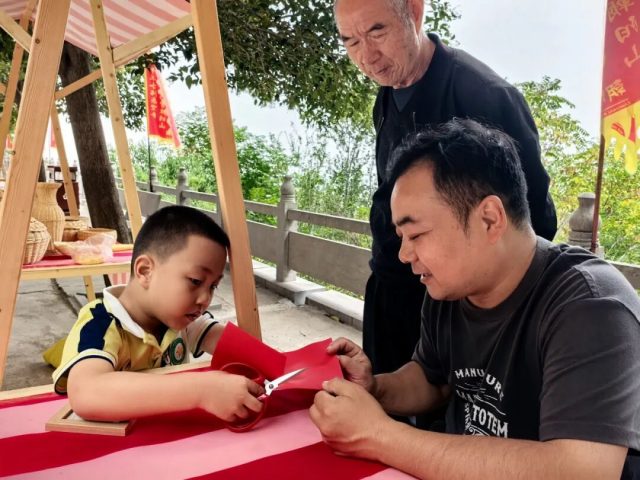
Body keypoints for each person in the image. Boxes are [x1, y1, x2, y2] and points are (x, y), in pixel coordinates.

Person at [310, 119, 640, 479]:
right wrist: (375, 388)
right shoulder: (450, 288)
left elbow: (582, 471)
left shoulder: (590, 306)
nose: (404, 255)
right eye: (401, 236)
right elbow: (433, 380)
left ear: (489, 219)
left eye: (416, 234)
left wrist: (379, 435)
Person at [334, 0, 558, 380]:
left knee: (449, 410)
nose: (367, 57)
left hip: (457, 311)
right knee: (379, 395)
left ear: (414, 12)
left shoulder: (484, 95)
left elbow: (532, 220)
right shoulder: (387, 94)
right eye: (351, 42)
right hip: (391, 290)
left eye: (377, 32)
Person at [52, 206, 264, 423]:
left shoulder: (182, 319)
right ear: (145, 271)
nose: (205, 299)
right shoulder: (100, 323)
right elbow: (86, 393)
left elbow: (242, 349)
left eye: (213, 286)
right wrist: (203, 391)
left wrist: (280, 367)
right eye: (196, 281)